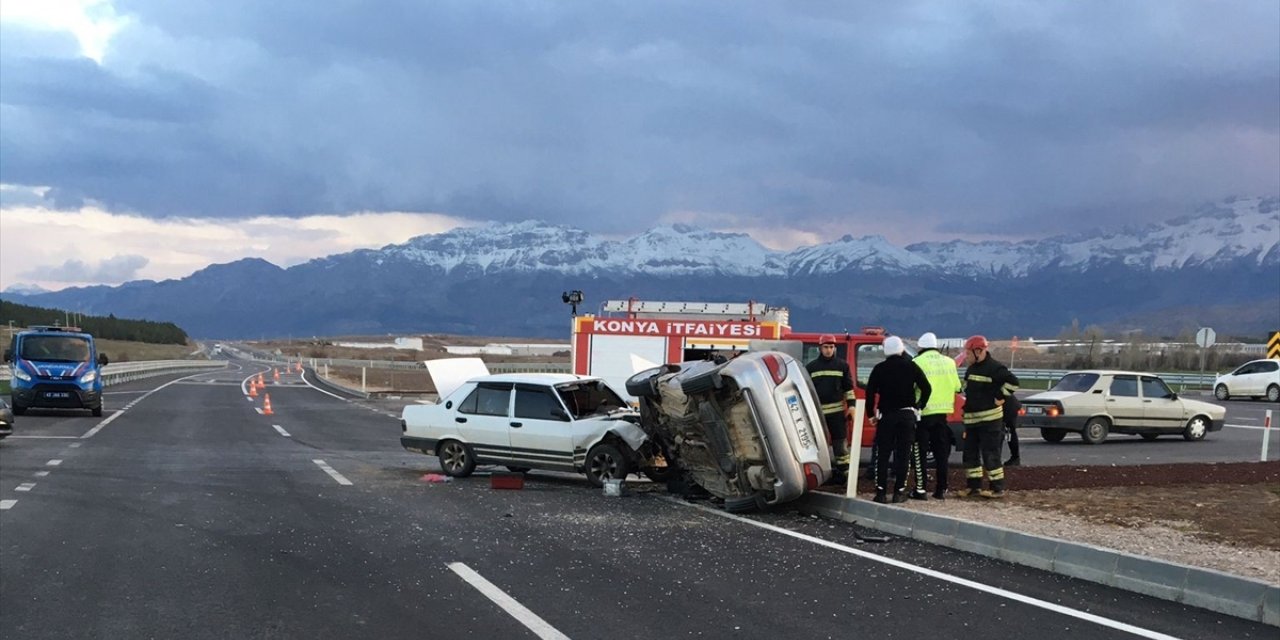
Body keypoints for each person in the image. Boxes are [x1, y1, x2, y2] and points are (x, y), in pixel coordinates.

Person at [865, 336, 931, 504]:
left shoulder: (879, 368)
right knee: (903, 455)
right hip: (907, 416)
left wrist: (870, 415)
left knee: (883, 454)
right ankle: (899, 492)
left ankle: (880, 492)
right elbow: (927, 388)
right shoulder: (911, 366)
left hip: (886, 416)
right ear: (902, 349)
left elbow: (870, 392)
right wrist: (919, 405)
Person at [959, 335, 1020, 499]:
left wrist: (1001, 396)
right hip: (972, 421)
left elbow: (1013, 382)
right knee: (970, 455)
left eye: (969, 353)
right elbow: (969, 391)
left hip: (990, 421)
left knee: (990, 454)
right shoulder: (971, 369)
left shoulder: (995, 368)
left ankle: (996, 488)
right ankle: (973, 487)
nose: (967, 356)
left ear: (979, 351)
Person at [911, 332, 963, 499]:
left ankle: (921, 488)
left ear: (921, 346)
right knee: (941, 454)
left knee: (920, 453)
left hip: (923, 414)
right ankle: (941, 489)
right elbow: (957, 387)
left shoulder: (917, 362)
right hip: (942, 415)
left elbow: (911, 387)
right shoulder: (949, 362)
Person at [805, 334, 854, 480]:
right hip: (818, 414)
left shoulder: (842, 366)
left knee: (840, 444)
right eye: (826, 347)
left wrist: (852, 407)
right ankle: (822, 473)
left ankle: (844, 473)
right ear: (820, 348)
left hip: (837, 413)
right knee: (819, 444)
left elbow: (848, 389)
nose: (828, 350)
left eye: (831, 347)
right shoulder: (811, 367)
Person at [1003, 391, 1022, 467]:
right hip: (1009, 406)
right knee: (1009, 432)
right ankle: (1015, 457)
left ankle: (1015, 457)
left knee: (1009, 432)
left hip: (1008, 408)